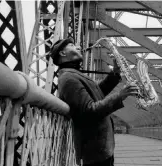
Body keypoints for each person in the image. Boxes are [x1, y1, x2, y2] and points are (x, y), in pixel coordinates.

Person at [47, 38, 139, 166]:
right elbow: (89, 111)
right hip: (95, 152)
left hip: (100, 149)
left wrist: (115, 73)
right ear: (62, 53)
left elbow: (97, 92)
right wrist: (119, 96)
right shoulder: (68, 79)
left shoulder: (73, 74)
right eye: (72, 45)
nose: (79, 47)